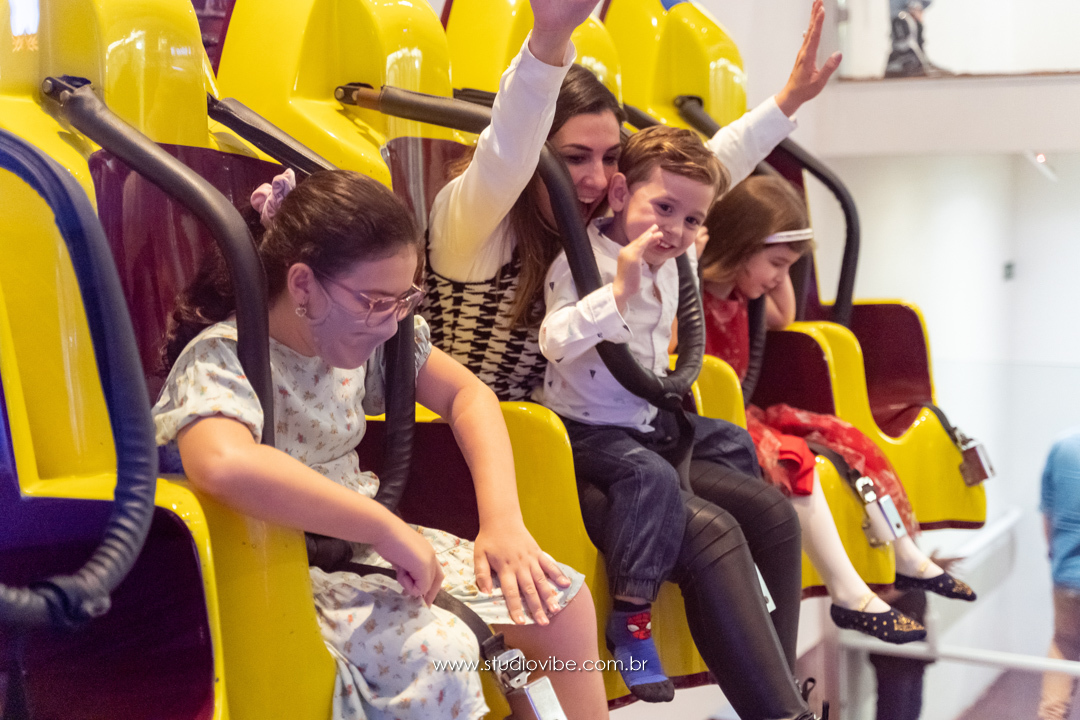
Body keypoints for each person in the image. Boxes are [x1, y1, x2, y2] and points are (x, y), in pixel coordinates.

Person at [423, 3, 839, 718]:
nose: (595, 178)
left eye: (609, 158)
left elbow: (692, 175)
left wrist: (786, 104)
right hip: (508, 453)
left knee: (771, 514)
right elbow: (508, 148)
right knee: (707, 528)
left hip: (593, 436)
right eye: (573, 158)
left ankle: (778, 703)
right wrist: (549, 40)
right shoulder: (475, 227)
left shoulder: (596, 228)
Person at [152, 169, 608, 720]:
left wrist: (503, 523)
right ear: (302, 285)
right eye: (374, 301)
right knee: (439, 653)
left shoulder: (362, 340)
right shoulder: (223, 356)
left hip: (363, 552)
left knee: (557, 603)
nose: (391, 325)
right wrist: (383, 528)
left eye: (403, 299)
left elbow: (468, 395)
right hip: (275, 571)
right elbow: (223, 464)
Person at [698, 174, 976, 642]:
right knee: (794, 460)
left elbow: (784, 315)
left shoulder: (743, 297)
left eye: (788, 269)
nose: (778, 278)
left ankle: (905, 554)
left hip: (744, 413)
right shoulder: (694, 299)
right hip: (717, 423)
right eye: (776, 265)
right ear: (740, 246)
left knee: (848, 439)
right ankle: (848, 593)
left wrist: (772, 268)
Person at [536, 125, 731, 701]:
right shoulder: (584, 262)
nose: (676, 229)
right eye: (664, 208)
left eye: (692, 220)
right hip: (583, 426)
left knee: (732, 442)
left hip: (642, 417)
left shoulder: (672, 263)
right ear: (619, 194)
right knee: (650, 477)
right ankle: (631, 617)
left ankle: (718, 558)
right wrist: (617, 292)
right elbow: (553, 341)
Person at [1039, 430, 1080, 720]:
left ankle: (1051, 714)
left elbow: (1048, 516)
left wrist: (1058, 558)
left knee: (1065, 643)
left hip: (1066, 576)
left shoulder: (1063, 449)